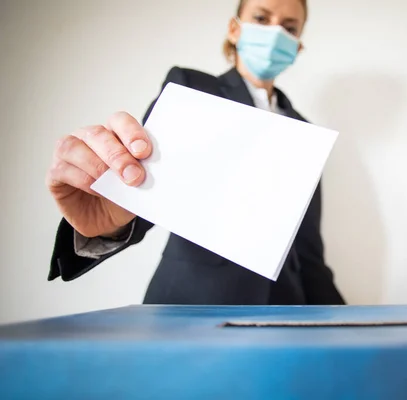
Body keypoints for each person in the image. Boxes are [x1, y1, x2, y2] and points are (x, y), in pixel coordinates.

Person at [45, 0, 345, 306]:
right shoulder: (193, 89)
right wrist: (111, 224)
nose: (275, 32)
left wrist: (347, 324)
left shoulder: (306, 131)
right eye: (261, 18)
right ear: (234, 28)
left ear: (297, 47)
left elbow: (308, 250)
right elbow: (149, 192)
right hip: (196, 300)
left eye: (289, 27)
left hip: (285, 306)